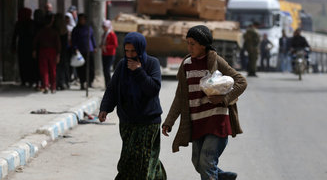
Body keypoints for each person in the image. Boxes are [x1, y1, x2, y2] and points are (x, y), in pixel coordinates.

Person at [162, 25, 247, 180]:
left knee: (206, 163)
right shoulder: (186, 64)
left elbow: (241, 81)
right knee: (198, 163)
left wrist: (224, 99)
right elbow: (180, 96)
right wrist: (169, 121)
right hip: (197, 122)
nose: (189, 47)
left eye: (192, 43)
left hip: (216, 120)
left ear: (203, 44)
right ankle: (222, 177)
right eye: (187, 43)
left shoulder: (216, 60)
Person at [98, 32, 166, 179]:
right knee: (129, 160)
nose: (129, 54)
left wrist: (139, 71)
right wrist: (105, 108)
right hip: (127, 121)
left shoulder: (152, 63)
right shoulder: (122, 65)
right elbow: (112, 89)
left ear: (141, 49)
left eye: (133, 51)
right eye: (126, 51)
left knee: (144, 161)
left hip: (148, 121)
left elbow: (153, 89)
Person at [33, 14, 60, 94]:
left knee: (44, 69)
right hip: (51, 51)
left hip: (44, 51)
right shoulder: (54, 31)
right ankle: (52, 87)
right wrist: (58, 54)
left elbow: (35, 41)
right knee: (52, 69)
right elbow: (58, 44)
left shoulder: (41, 31)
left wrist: (34, 50)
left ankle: (46, 85)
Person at [11, 8, 36, 87]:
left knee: (22, 63)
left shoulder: (19, 23)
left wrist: (13, 46)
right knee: (30, 63)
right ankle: (31, 80)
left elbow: (15, 36)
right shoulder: (31, 23)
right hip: (30, 46)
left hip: (22, 46)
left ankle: (24, 80)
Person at [71, 14, 96, 90]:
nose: (82, 21)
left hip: (89, 50)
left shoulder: (88, 28)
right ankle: (82, 82)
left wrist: (94, 47)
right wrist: (75, 48)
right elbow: (73, 40)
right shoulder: (76, 29)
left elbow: (92, 38)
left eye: (83, 19)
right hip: (80, 51)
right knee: (81, 68)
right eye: (80, 19)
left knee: (91, 67)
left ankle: (90, 82)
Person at [53, 13, 71, 90]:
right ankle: (63, 82)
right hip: (63, 51)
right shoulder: (64, 29)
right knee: (63, 67)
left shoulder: (54, 29)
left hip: (56, 50)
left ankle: (58, 83)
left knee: (57, 67)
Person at [100, 20, 118, 88]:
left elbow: (115, 45)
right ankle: (106, 85)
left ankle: (110, 85)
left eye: (105, 27)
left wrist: (106, 47)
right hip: (104, 54)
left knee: (107, 70)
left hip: (110, 54)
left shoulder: (112, 34)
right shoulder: (104, 34)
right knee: (104, 70)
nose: (103, 28)